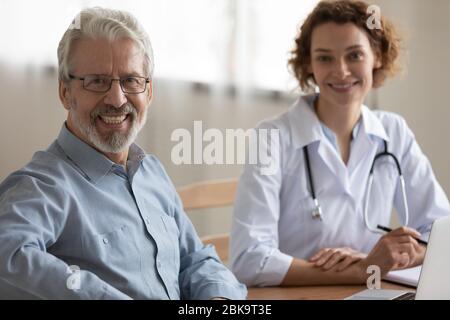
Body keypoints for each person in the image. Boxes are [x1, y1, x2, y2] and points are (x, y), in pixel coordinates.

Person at [0, 7, 246, 300]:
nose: (116, 99)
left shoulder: (151, 172)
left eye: (131, 81)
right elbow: (7, 255)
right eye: (96, 81)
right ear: (65, 92)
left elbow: (195, 259)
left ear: (149, 92)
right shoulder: (42, 185)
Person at [230, 0, 450, 287]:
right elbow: (249, 260)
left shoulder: (393, 131)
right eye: (324, 58)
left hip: (369, 293)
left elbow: (442, 233)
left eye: (355, 55)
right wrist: (364, 267)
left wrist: (395, 255)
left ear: (377, 56)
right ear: (308, 63)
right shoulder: (272, 138)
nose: (341, 70)